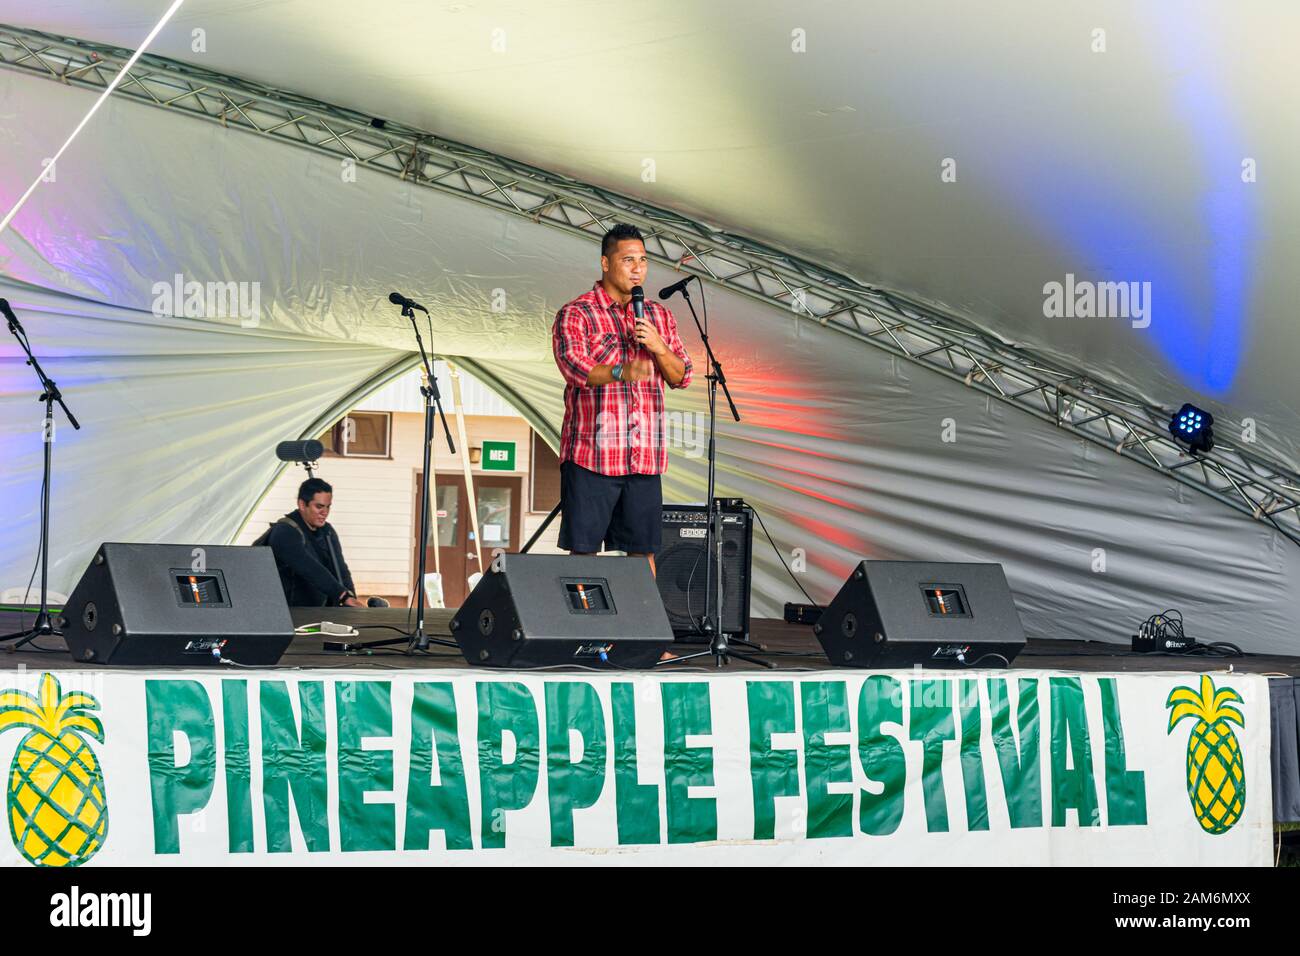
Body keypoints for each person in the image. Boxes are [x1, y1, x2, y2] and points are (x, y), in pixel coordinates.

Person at [551, 223, 693, 566]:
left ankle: (643, 621)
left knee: (642, 553)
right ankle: (580, 621)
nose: (637, 268)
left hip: (643, 457)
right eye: (628, 260)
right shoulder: (577, 313)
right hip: (592, 456)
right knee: (584, 552)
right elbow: (575, 369)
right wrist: (621, 371)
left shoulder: (658, 315)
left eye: (643, 260)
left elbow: (682, 375)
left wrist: (659, 347)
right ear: (605, 263)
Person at [261, 477, 364, 607]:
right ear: (302, 504)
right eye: (319, 506)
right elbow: (308, 567)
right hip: (288, 612)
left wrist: (351, 598)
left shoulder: (327, 531)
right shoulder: (285, 532)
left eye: (328, 507)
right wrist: (342, 595)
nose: (325, 513)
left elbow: (341, 570)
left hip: (318, 612)